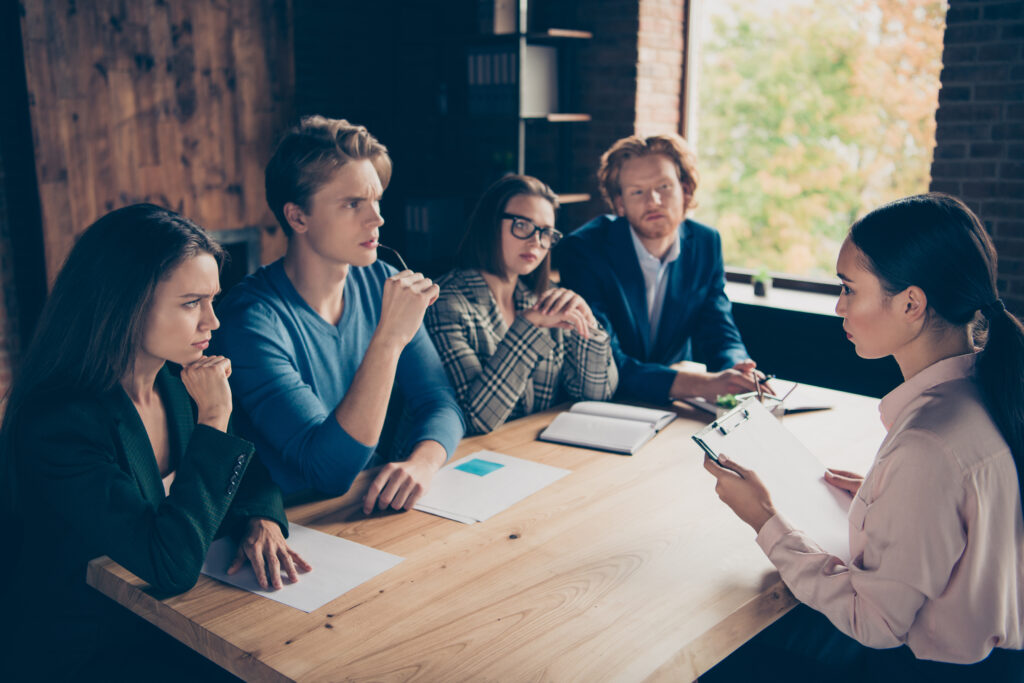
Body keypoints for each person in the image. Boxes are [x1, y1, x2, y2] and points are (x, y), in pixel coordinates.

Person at [704, 193, 1024, 681]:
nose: (838, 307)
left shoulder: (929, 445)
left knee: (722, 652)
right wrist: (886, 500)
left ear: (911, 304)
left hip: (926, 671)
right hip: (994, 664)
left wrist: (764, 519)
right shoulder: (990, 391)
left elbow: (875, 622)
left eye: (850, 289)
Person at [0, 204, 308, 681]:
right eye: (191, 303)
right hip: (88, 653)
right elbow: (170, 565)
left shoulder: (174, 382)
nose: (213, 321)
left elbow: (248, 474)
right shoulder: (59, 424)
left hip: (167, 624)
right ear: (124, 303)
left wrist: (261, 519)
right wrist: (215, 417)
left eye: (212, 300)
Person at [213, 116, 464, 515]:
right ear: (298, 217)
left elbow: (440, 401)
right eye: (353, 204)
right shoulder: (250, 319)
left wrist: (423, 462)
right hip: (289, 526)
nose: (377, 219)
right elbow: (328, 471)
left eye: (376, 200)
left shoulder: (382, 280)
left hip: (365, 507)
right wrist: (388, 340)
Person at [555, 133, 765, 404]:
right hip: (603, 403)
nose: (653, 201)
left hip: (673, 403)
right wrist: (703, 384)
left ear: (685, 189)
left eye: (664, 187)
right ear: (620, 202)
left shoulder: (705, 242)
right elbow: (604, 359)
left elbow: (718, 327)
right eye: (637, 191)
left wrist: (737, 370)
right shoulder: (584, 250)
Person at [425, 175, 617, 435]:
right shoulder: (446, 303)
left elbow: (596, 395)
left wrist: (588, 326)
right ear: (489, 224)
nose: (536, 241)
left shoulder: (544, 298)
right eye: (522, 225)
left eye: (546, 233)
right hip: (464, 461)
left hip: (527, 452)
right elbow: (474, 420)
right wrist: (527, 326)